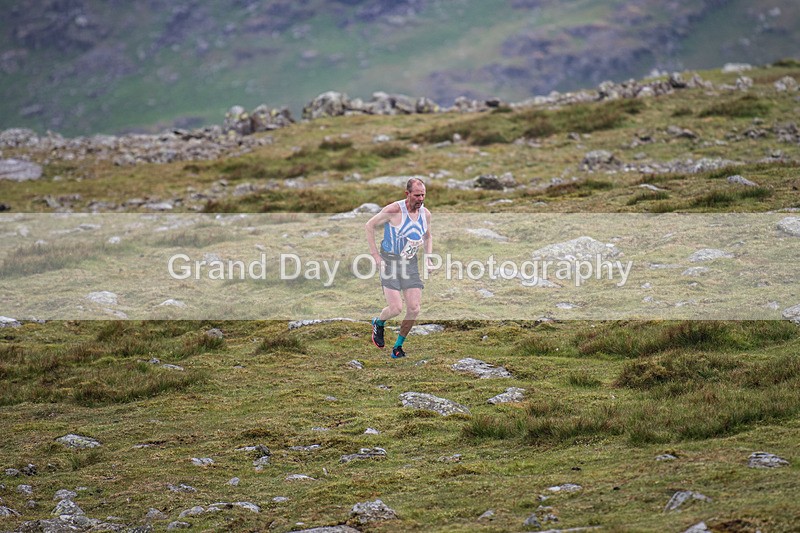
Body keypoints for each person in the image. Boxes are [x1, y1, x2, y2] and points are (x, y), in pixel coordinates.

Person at [365, 178, 434, 358]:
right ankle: (379, 323)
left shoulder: (425, 214)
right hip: (389, 262)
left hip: (409, 263)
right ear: (408, 194)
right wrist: (376, 257)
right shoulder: (394, 210)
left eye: (423, 195)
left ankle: (397, 347)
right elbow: (369, 225)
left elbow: (428, 237)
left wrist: (428, 259)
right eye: (417, 195)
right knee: (395, 308)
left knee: (414, 308)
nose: (421, 199)